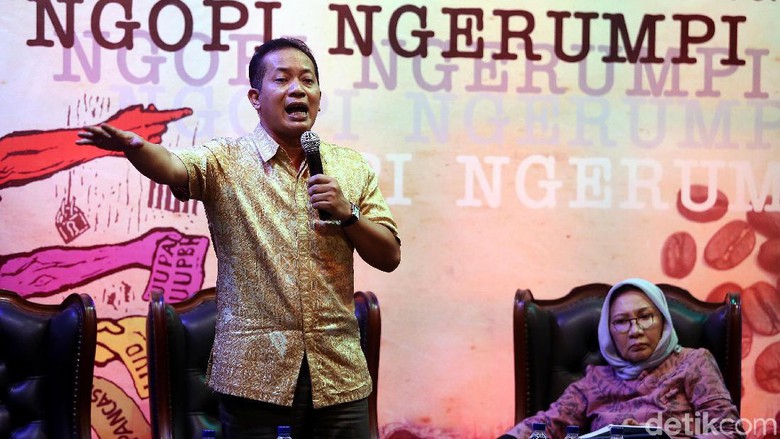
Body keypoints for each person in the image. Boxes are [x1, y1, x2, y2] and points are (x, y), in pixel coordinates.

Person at [77, 37, 401, 438]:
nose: (298, 89)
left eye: (308, 81)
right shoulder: (225, 161)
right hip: (254, 378)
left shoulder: (350, 168)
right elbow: (173, 167)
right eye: (282, 79)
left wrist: (348, 214)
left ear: (319, 97)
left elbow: (389, 255)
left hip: (339, 374)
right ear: (255, 97)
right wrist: (137, 149)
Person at [500, 278, 741, 439]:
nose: (635, 331)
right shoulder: (595, 381)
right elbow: (549, 423)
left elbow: (729, 431)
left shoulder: (693, 363)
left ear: (663, 321)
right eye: (621, 321)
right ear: (608, 331)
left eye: (645, 317)